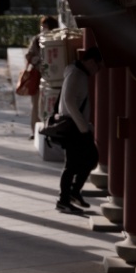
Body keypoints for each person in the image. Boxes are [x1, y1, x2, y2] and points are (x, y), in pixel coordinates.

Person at [55, 45, 103, 216]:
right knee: (79, 162)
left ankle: (73, 193)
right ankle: (64, 200)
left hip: (78, 126)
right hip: (74, 127)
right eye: (98, 66)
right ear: (90, 61)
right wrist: (84, 127)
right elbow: (69, 101)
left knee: (88, 159)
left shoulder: (79, 73)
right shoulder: (75, 74)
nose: (98, 70)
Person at [24, 15, 59, 138]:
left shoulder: (58, 40)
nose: (43, 29)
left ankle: (47, 129)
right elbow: (29, 55)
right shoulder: (37, 39)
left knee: (48, 105)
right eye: (42, 26)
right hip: (37, 75)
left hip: (53, 79)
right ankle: (35, 131)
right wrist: (38, 60)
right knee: (36, 105)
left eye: (45, 26)